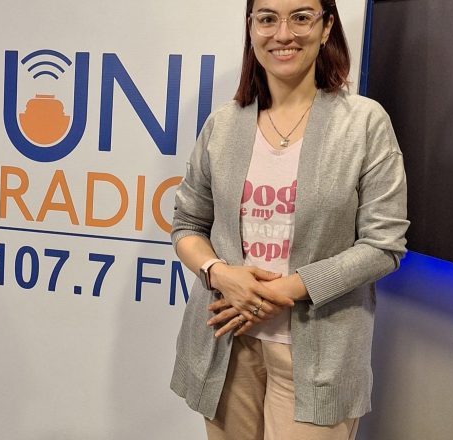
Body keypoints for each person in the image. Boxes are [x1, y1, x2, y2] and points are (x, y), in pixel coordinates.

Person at [169, 0, 409, 439]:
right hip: (227, 344)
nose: (283, 34)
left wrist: (282, 290)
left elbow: (383, 245)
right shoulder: (223, 124)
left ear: (326, 26)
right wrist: (219, 273)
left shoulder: (363, 123)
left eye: (301, 17)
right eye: (267, 19)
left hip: (318, 356)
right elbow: (187, 224)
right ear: (251, 28)